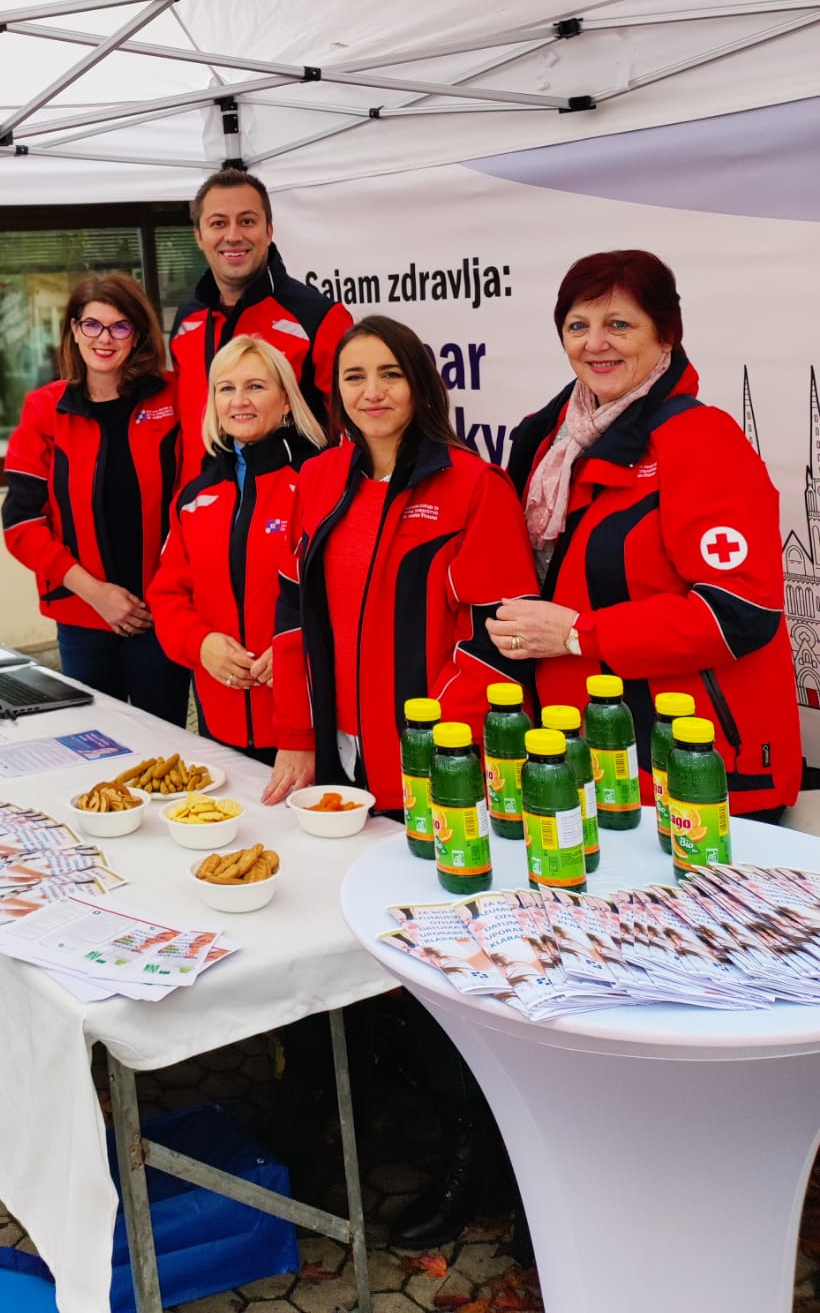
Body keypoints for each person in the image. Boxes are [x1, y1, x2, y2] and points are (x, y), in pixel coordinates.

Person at [270, 314, 537, 1249]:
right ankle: (341, 1116)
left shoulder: (472, 486)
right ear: (333, 392)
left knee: (443, 963)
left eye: (389, 374)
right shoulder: (317, 480)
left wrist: (437, 756)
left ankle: (477, 1158)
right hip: (342, 762)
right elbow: (293, 611)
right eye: (353, 377)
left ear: (421, 384)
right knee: (355, 939)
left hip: (438, 768)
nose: (371, 391)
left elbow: (497, 636)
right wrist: (298, 735)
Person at [499, 248, 800, 819]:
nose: (595, 343)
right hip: (588, 766)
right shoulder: (549, 443)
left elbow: (738, 612)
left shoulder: (702, 441)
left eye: (619, 324)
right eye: (578, 326)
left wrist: (578, 635)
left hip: (699, 776)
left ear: (666, 335)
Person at [1, 273, 190, 724]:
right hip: (83, 618)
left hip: (162, 614)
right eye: (92, 325)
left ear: (138, 334)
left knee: (166, 751)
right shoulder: (45, 410)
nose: (104, 338)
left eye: (120, 326)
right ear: (73, 330)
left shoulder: (177, 397)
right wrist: (96, 594)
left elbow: (198, 504)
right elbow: (20, 524)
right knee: (93, 748)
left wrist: (167, 595)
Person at [150, 336, 324, 774]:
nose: (238, 400)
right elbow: (168, 595)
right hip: (219, 722)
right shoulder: (196, 495)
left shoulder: (319, 480)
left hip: (307, 725)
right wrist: (200, 644)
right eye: (225, 388)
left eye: (255, 387)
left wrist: (293, 650)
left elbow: (345, 599)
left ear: (286, 399)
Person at [170, 168, 352, 485]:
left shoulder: (319, 317)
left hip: (292, 520)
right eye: (218, 223)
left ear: (268, 231)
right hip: (199, 518)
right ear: (199, 236)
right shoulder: (187, 320)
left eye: (247, 221)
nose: (233, 235)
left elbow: (353, 435)